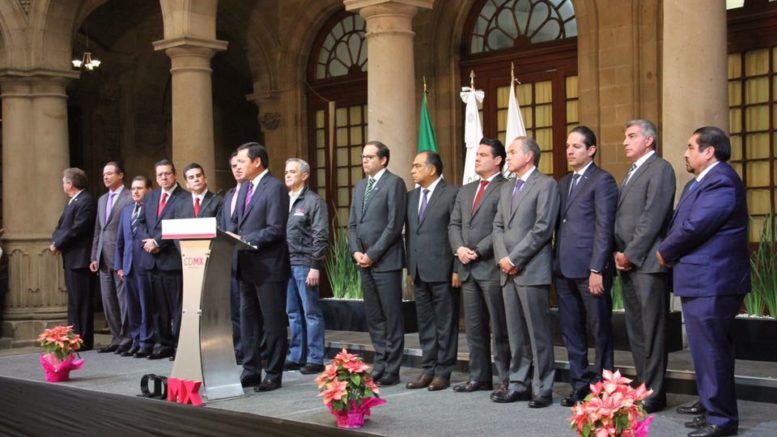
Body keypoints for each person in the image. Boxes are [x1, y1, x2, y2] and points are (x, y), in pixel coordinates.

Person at [657, 126, 750, 437]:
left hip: (713, 280)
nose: (685, 153)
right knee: (707, 349)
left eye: (690, 147)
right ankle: (711, 405)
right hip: (701, 279)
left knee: (711, 350)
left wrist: (665, 251)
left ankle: (721, 420)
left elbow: (696, 226)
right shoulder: (700, 182)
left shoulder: (721, 180)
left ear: (709, 151)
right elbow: (681, 222)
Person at [614, 119, 676, 413]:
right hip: (627, 262)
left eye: (631, 136)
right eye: (625, 137)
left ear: (649, 140)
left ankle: (655, 392)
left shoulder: (660, 169)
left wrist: (630, 253)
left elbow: (653, 217)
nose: (625, 142)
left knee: (652, 330)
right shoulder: (632, 171)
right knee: (637, 329)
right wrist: (617, 252)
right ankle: (643, 385)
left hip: (648, 263)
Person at [493, 136, 559, 408]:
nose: (507, 156)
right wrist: (503, 258)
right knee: (516, 334)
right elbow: (497, 226)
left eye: (512, 152)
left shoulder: (546, 184)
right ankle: (518, 383)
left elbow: (543, 228)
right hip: (507, 270)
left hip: (530, 269)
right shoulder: (507, 187)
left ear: (529, 156)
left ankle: (542, 387)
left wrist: (515, 258)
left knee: (537, 333)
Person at [554, 126, 618, 406]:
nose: (570, 151)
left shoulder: (602, 180)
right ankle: (579, 385)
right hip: (563, 268)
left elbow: (605, 228)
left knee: (599, 330)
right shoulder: (564, 182)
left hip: (590, 271)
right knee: (571, 331)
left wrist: (596, 269)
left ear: (591, 150)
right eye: (568, 146)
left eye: (576, 146)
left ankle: (604, 390)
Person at [448, 137, 511, 396]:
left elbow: (502, 226)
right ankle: (479, 376)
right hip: (467, 268)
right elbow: (454, 224)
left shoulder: (506, 187)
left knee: (500, 327)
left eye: (483, 155)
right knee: (474, 328)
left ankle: (507, 378)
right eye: (476, 154)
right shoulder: (466, 190)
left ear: (498, 160)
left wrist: (477, 250)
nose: (477, 158)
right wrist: (459, 249)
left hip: (490, 266)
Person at [231, 142, 290, 392]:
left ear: (257, 162)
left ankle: (274, 374)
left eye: (242, 161)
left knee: (273, 323)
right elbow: (239, 223)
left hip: (269, 266)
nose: (238, 166)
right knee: (248, 322)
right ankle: (251, 370)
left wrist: (245, 239)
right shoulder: (244, 188)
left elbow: (276, 229)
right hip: (246, 265)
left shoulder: (275, 187)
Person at [348, 141, 407, 386]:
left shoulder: (394, 183)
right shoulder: (361, 186)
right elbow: (353, 224)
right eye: (363, 156)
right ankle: (380, 363)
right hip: (364, 262)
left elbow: (394, 225)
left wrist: (372, 254)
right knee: (374, 317)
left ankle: (392, 368)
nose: (364, 161)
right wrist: (356, 252)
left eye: (370, 157)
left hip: (386, 261)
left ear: (383, 159)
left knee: (391, 317)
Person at [404, 151, 459, 391]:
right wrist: (410, 266)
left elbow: (457, 232)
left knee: (445, 324)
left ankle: (443, 372)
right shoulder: (411, 196)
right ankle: (428, 369)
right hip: (419, 271)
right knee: (425, 323)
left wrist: (457, 268)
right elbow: (411, 234)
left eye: (417, 166)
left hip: (444, 270)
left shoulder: (452, 194)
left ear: (432, 169)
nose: (412, 170)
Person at [137, 159, 188, 360]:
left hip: (172, 259)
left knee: (177, 307)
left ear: (174, 175)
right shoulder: (151, 197)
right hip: (151, 260)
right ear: (156, 178)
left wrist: (157, 241)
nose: (164, 177)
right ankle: (164, 344)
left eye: (167, 173)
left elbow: (180, 225)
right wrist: (147, 242)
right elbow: (141, 222)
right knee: (158, 308)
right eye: (160, 175)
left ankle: (179, 347)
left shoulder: (184, 197)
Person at [283, 158, 329, 375]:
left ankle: (315, 358)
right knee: (292, 312)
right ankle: (296, 355)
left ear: (305, 175)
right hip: (286, 264)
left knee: (311, 312)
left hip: (305, 264)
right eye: (286, 171)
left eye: (292, 171)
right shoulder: (284, 200)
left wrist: (315, 265)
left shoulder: (313, 201)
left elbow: (320, 235)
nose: (287, 175)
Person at [90, 161, 133, 354]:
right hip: (103, 258)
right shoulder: (101, 199)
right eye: (104, 175)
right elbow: (98, 230)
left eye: (109, 173)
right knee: (109, 301)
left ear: (120, 175)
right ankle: (116, 338)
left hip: (120, 256)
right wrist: (94, 255)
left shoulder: (129, 197)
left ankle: (128, 338)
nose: (105, 177)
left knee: (124, 300)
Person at [51, 168, 96, 350]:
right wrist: (56, 241)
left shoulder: (86, 201)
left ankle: (82, 339)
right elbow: (61, 226)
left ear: (70, 184)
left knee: (82, 300)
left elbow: (78, 228)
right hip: (71, 258)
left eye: (64, 181)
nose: (62, 184)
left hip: (80, 259)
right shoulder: (73, 201)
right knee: (74, 300)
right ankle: (74, 338)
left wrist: (58, 243)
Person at [115, 176, 155, 358]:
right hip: (128, 265)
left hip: (145, 264)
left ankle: (146, 341)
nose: (136, 192)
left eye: (140, 188)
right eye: (133, 189)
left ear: (149, 190)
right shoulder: (126, 211)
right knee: (132, 306)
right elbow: (120, 240)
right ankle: (136, 339)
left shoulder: (152, 210)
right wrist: (119, 265)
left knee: (146, 305)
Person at [219, 152, 244, 364]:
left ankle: (255, 348)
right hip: (231, 259)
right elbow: (222, 225)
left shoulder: (255, 193)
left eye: (240, 164)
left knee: (249, 309)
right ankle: (238, 348)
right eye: (233, 166)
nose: (236, 169)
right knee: (235, 308)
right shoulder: (228, 194)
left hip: (250, 257)